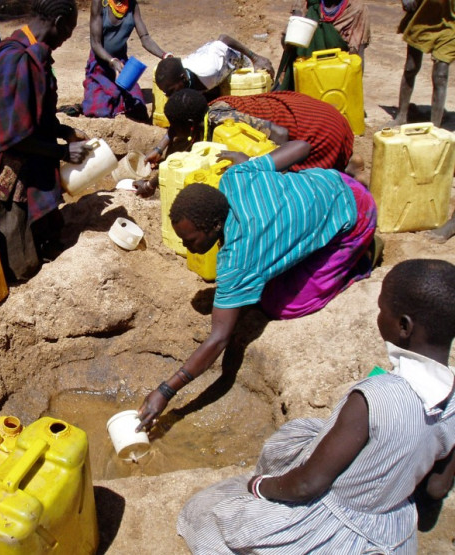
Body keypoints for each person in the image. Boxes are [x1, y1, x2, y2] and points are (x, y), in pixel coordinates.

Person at [176, 258, 455, 554]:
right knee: (305, 432)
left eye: (381, 310)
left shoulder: (373, 397)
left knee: (206, 513)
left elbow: (306, 486)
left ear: (403, 326)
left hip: (333, 528)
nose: (378, 316)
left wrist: (260, 486)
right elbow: (436, 489)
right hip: (390, 533)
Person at [136, 140, 377, 431]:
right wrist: (249, 161)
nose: (188, 247)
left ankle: (358, 260)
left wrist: (165, 391)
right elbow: (301, 147)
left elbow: (219, 339)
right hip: (332, 181)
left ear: (214, 227)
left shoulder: (237, 259)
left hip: (356, 217)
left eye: (190, 240)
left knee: (282, 304)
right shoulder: (236, 177)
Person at [0, 0, 90, 283]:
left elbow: (32, 113)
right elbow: (10, 134)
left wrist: (63, 130)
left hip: (27, 147)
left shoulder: (28, 52)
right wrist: (61, 151)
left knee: (47, 231)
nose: (68, 37)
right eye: (69, 29)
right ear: (57, 23)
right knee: (19, 264)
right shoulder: (15, 59)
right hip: (2, 160)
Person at [138, 88, 359, 197]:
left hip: (319, 127)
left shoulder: (224, 121)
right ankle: (350, 167)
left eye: (175, 127)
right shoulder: (205, 112)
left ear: (190, 124)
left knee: (300, 183)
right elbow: (181, 136)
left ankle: (350, 173)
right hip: (316, 111)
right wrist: (159, 149)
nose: (172, 133)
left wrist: (273, 172)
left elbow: (281, 135)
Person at [81, 0, 169, 121]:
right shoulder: (100, 3)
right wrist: (112, 61)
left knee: (138, 108)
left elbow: (145, 38)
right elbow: (95, 44)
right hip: (100, 65)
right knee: (99, 110)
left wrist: (164, 55)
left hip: (122, 65)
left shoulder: (132, 5)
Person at [275, 0, 371, 91]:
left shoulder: (356, 10)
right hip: (301, 77)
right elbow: (287, 45)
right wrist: (294, 27)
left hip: (334, 81)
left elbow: (357, 59)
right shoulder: (306, 3)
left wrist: (352, 91)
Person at [391, 0, 454, 128]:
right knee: (411, 67)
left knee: (440, 75)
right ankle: (402, 116)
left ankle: (434, 126)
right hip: (422, 17)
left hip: (450, 22)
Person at [153, 35, 275, 100]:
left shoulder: (209, 69)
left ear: (183, 78)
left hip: (237, 65)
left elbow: (223, 39)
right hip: (211, 83)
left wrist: (255, 58)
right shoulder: (180, 76)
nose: (169, 96)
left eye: (171, 91)